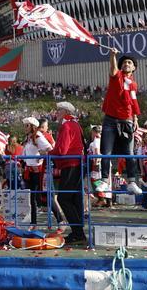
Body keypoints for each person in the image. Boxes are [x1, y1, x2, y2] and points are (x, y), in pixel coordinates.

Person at [100, 48, 142, 196]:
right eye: (124, 62)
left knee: (129, 152)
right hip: (110, 119)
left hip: (127, 120)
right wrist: (112, 55)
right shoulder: (116, 76)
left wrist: (135, 119)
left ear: (134, 67)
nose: (127, 64)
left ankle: (131, 181)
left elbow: (132, 102)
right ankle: (104, 181)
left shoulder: (133, 84)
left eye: (130, 63)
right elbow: (112, 68)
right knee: (106, 152)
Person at [48, 101, 86, 245]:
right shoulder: (75, 125)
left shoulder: (67, 125)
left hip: (70, 165)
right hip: (77, 164)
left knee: (64, 199)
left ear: (64, 112)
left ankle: (78, 233)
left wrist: (48, 152)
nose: (56, 113)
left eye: (58, 111)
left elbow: (62, 150)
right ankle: (79, 232)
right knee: (74, 199)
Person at [22, 117, 53, 225]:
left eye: (27, 125)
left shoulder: (37, 136)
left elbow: (50, 148)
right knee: (32, 198)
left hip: (37, 171)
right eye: (24, 125)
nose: (25, 128)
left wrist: (41, 155)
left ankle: (59, 219)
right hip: (28, 171)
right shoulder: (28, 138)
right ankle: (33, 223)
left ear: (32, 126)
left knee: (38, 197)